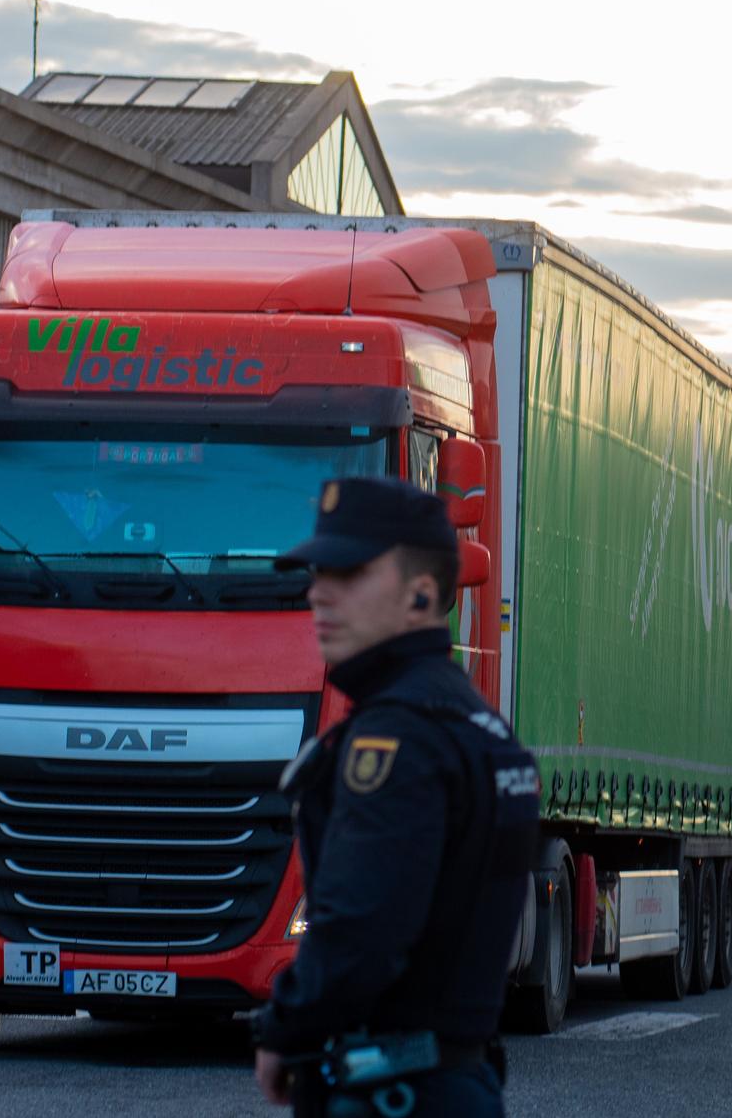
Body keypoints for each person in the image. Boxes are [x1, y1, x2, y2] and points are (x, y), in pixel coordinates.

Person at [251, 477, 539, 1117]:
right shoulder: (474, 722)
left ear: (423, 593)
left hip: (392, 1090)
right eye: (318, 571)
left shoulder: (397, 738)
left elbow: (362, 930)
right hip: (456, 1080)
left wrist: (285, 1029)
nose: (319, 591)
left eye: (349, 572)